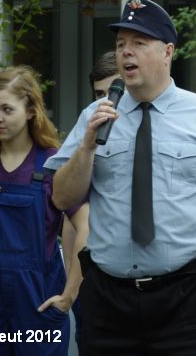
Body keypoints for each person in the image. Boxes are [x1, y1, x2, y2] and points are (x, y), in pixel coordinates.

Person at [46, 0, 196, 355]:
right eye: (120, 44)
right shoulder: (95, 116)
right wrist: (86, 147)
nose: (126, 52)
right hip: (107, 299)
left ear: (167, 52)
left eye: (139, 43)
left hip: (186, 296)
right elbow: (61, 198)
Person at [0, 65, 89, 356]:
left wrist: (69, 295)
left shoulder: (54, 163)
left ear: (31, 110)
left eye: (7, 109)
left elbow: (86, 227)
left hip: (38, 299)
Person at [61, 51, 120, 352]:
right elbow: (70, 215)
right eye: (99, 95)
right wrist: (73, 286)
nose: (107, 103)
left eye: (115, 92)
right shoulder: (86, 138)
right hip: (94, 278)